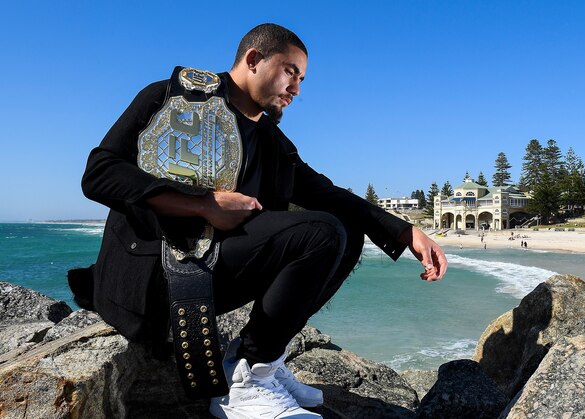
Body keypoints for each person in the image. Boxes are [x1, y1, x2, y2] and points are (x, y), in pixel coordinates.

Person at [74, 23, 447, 419]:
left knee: (344, 229)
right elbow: (100, 173)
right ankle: (243, 387)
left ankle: (258, 361)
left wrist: (406, 231)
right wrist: (203, 203)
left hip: (209, 269)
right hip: (150, 274)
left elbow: (325, 192)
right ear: (254, 60)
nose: (297, 89)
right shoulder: (173, 99)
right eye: (290, 72)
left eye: (302, 78)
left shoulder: (269, 138)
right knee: (321, 233)